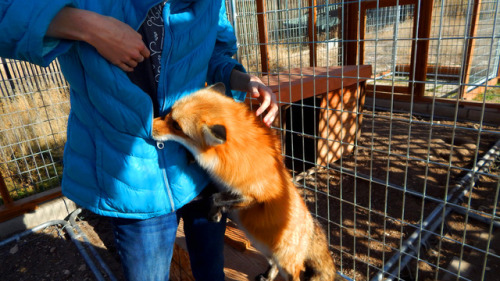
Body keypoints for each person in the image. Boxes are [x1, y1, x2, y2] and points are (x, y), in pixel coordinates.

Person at [0, 1, 278, 280]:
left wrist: (244, 80)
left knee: (211, 271)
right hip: (133, 177)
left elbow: (215, 54)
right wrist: (89, 27)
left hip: (198, 167)